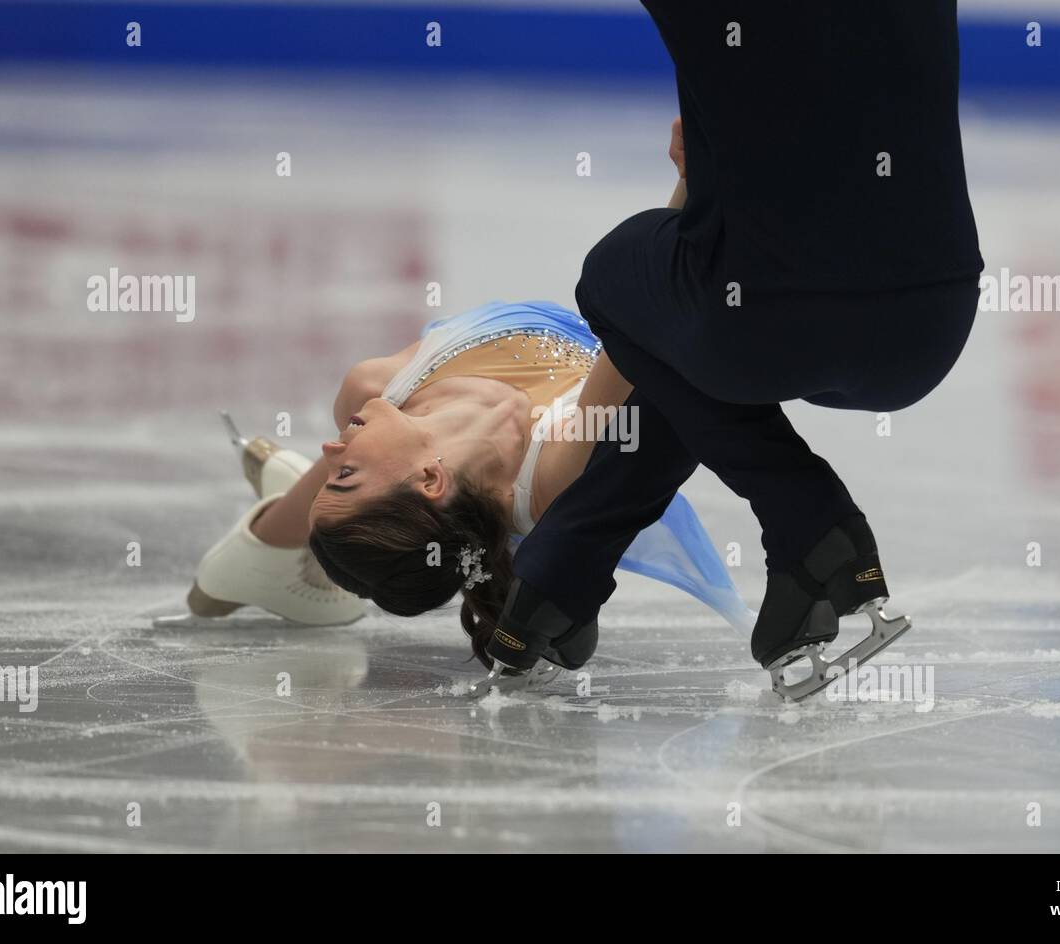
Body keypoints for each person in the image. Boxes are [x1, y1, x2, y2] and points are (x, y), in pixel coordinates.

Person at [486, 2, 984, 700]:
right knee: (687, 313)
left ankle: (806, 519)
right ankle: (562, 572)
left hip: (762, 327)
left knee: (618, 275)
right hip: (932, 324)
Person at [181, 301, 754, 686]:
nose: (330, 450)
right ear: (429, 480)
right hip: (508, 487)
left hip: (455, 501)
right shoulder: (558, 468)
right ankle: (252, 561)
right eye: (346, 476)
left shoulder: (372, 389)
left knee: (363, 424)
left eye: (333, 474)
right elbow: (646, 316)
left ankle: (271, 541)